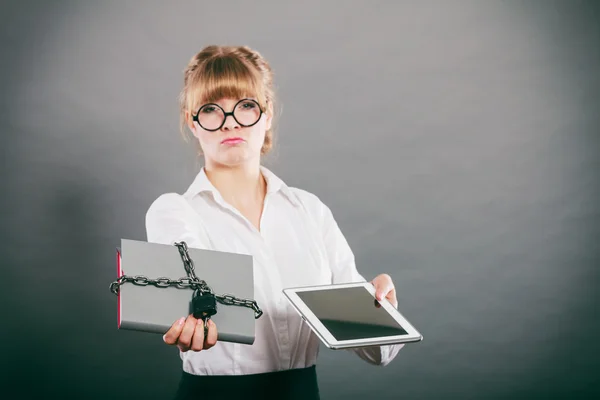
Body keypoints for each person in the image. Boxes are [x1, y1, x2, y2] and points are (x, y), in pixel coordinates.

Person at [145, 45, 404, 400]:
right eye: (211, 109)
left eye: (246, 106)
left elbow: (378, 353)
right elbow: (183, 293)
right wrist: (189, 317)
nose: (230, 121)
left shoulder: (310, 212)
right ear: (192, 122)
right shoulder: (174, 212)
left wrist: (380, 310)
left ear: (266, 115)